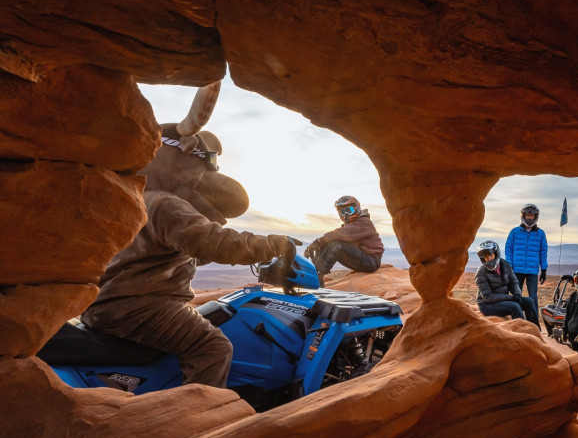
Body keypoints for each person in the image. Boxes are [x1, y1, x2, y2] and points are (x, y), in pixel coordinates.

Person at [81, 120, 293, 389]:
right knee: (213, 347)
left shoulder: (133, 199)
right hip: (139, 307)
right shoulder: (164, 203)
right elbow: (210, 240)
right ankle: (201, 417)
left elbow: (175, 250)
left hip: (105, 304)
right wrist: (272, 245)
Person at [304, 195, 384, 276]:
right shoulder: (353, 223)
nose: (346, 214)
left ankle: (316, 275)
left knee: (337, 245)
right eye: (342, 211)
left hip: (372, 262)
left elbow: (340, 234)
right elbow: (335, 236)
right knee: (330, 242)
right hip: (364, 258)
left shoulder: (364, 222)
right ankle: (313, 271)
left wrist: (317, 242)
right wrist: (319, 245)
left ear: (357, 207)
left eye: (349, 210)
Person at [474, 240, 540, 327]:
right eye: (485, 257)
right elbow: (488, 297)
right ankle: (523, 331)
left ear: (496, 253)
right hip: (487, 305)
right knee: (515, 306)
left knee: (529, 302)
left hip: (502, 300)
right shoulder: (481, 273)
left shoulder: (505, 265)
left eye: (490, 255)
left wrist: (517, 294)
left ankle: (536, 331)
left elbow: (514, 282)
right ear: (482, 259)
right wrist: (510, 298)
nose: (489, 258)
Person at [504, 203, 548, 317]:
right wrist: (509, 266)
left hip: (532, 271)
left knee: (533, 297)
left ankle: (533, 324)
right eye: (528, 215)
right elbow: (508, 249)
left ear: (535, 217)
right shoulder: (515, 232)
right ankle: (516, 320)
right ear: (524, 216)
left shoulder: (540, 233)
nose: (529, 218)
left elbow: (543, 252)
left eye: (532, 216)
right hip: (516, 270)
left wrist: (544, 269)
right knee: (516, 295)